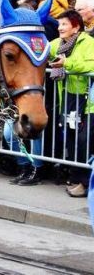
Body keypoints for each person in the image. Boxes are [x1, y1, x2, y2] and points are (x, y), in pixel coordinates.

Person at [47, 10, 94, 198]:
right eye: (59, 25)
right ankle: (78, 179)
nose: (59, 28)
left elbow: (91, 65)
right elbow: (40, 49)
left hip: (88, 101)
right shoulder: (57, 44)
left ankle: (84, 182)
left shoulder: (89, 42)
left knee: (84, 141)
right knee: (73, 140)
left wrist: (67, 63)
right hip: (68, 98)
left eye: (64, 24)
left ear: (76, 27)